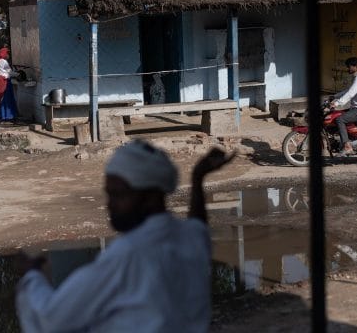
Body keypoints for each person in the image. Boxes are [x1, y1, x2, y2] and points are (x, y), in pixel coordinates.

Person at [16, 140, 234, 332]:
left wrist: (33, 277)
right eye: (109, 194)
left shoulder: (127, 255)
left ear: (150, 197)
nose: (109, 204)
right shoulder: (188, 238)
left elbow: (53, 318)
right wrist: (197, 178)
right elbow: (198, 223)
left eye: (119, 195)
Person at [330, 57, 357, 156]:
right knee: (337, 115)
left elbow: (351, 93)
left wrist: (337, 103)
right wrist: (334, 96)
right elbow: (348, 90)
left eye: (349, 67)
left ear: (356, 66)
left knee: (340, 120)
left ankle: (347, 146)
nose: (347, 69)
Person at [0, 47, 19, 123]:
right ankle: (10, 116)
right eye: (7, 53)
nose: (8, 55)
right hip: (5, 81)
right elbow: (9, 72)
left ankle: (3, 116)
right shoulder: (4, 61)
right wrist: (18, 74)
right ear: (4, 53)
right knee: (8, 98)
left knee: (2, 98)